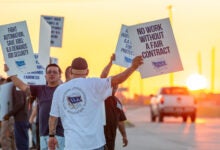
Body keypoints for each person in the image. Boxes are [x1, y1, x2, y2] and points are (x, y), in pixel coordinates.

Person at [48, 55, 143, 150]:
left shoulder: (59, 90)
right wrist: (133, 67)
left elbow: (53, 117)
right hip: (95, 144)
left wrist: (51, 136)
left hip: (73, 145)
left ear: (71, 71)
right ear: (87, 71)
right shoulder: (94, 84)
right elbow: (116, 80)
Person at [5, 63, 65, 150]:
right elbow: (22, 86)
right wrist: (10, 72)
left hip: (59, 135)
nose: (52, 74)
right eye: (49, 72)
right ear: (45, 76)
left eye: (55, 72)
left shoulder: (64, 90)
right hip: (43, 134)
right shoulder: (40, 89)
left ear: (59, 75)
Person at [100, 54, 128, 150]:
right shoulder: (101, 97)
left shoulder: (117, 102)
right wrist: (111, 62)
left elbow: (120, 121)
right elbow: (103, 77)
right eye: (112, 85)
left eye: (116, 86)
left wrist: (124, 135)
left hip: (111, 141)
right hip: (98, 141)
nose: (114, 88)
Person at [3, 85, 29, 150]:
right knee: (23, 142)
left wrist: (9, 114)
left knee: (21, 143)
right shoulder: (21, 85)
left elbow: (20, 102)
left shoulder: (17, 85)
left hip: (20, 119)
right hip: (22, 118)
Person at [0, 77, 16, 150]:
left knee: (5, 137)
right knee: (10, 137)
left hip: (8, 117)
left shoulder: (7, 88)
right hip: (6, 117)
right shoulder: (4, 90)